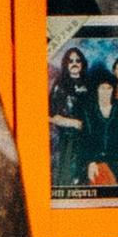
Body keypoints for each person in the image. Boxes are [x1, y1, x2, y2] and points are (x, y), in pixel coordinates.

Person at [50, 40, 92, 199]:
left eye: (77, 60)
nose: (74, 64)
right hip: (67, 140)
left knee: (85, 180)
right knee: (67, 178)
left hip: (88, 139)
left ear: (82, 63)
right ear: (66, 64)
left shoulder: (90, 83)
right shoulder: (60, 85)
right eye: (71, 61)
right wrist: (72, 123)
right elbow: (49, 115)